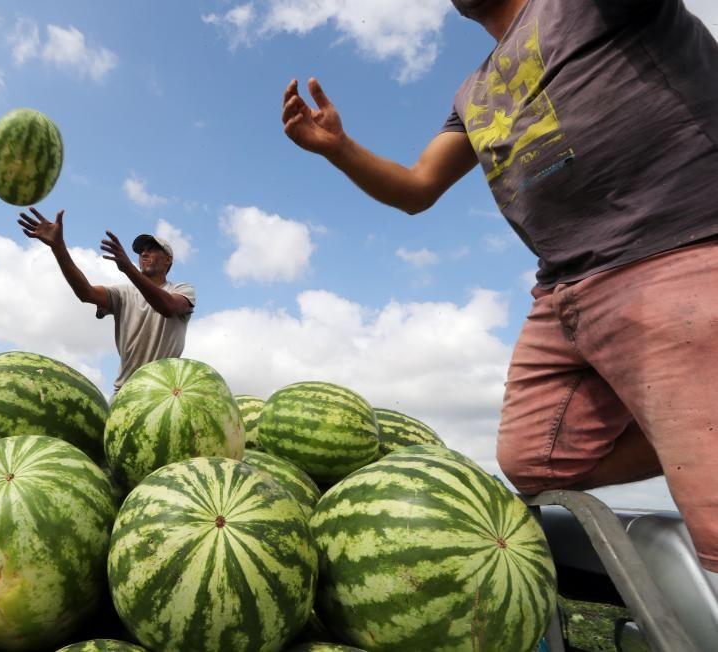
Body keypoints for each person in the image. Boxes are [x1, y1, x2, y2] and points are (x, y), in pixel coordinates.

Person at [282, 0, 718, 572]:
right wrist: (340, 149)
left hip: (672, 249)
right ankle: (690, 437)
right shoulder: (472, 91)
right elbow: (416, 188)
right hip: (563, 291)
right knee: (535, 460)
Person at [17, 207, 195, 393]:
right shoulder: (123, 293)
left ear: (168, 260)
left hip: (164, 391)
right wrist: (58, 248)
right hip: (126, 391)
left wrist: (128, 268)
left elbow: (167, 307)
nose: (144, 254)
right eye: (141, 251)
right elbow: (85, 293)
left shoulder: (182, 290)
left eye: (151, 250)